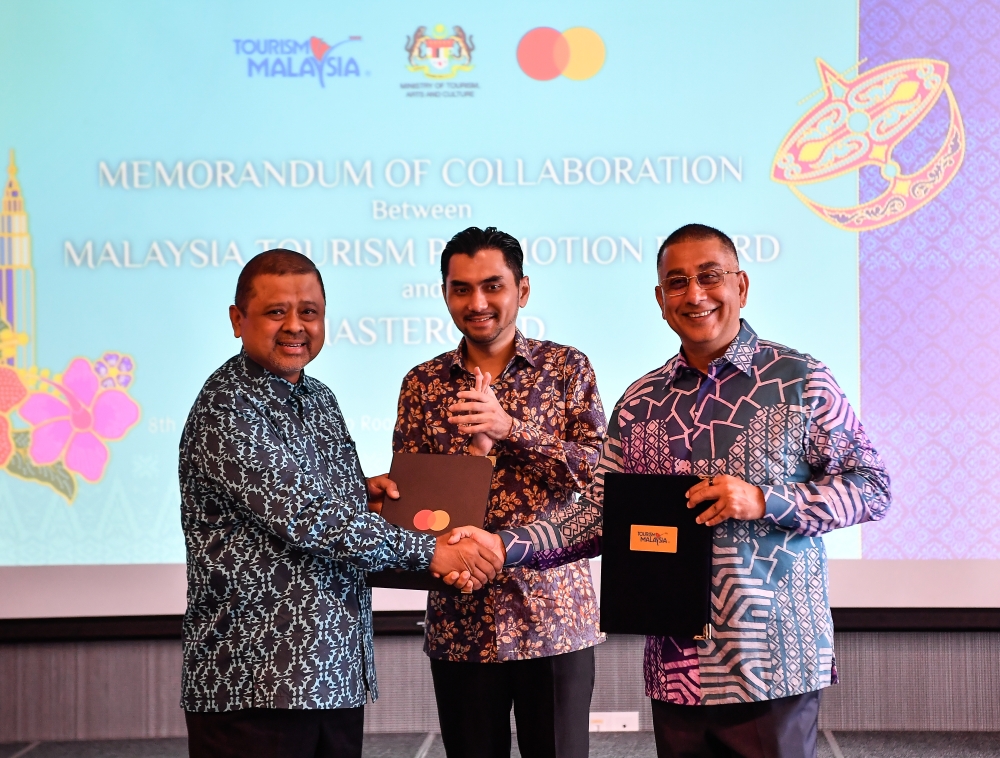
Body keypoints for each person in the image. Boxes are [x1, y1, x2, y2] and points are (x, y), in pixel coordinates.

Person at [459, 224, 892, 758]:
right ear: (661, 300)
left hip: (773, 662)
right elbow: (597, 516)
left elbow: (873, 486)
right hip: (677, 667)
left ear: (741, 286)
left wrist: (765, 500)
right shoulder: (641, 402)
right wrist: (503, 546)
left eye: (710, 277)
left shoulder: (800, 379)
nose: (695, 294)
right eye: (677, 282)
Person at [178, 249, 503, 758]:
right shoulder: (227, 407)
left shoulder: (319, 398)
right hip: (257, 682)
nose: (295, 326)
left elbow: (330, 511)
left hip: (332, 673)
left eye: (309, 311)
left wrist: (362, 495)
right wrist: (431, 551)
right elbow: (312, 521)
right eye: (275, 311)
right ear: (237, 320)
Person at [391, 227, 607, 758]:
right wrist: (475, 455)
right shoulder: (422, 383)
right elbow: (413, 500)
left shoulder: (566, 368)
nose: (478, 302)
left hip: (553, 616)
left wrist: (512, 429)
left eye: (493, 286)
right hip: (460, 620)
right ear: (445, 293)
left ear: (522, 290)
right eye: (461, 289)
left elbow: (599, 475)